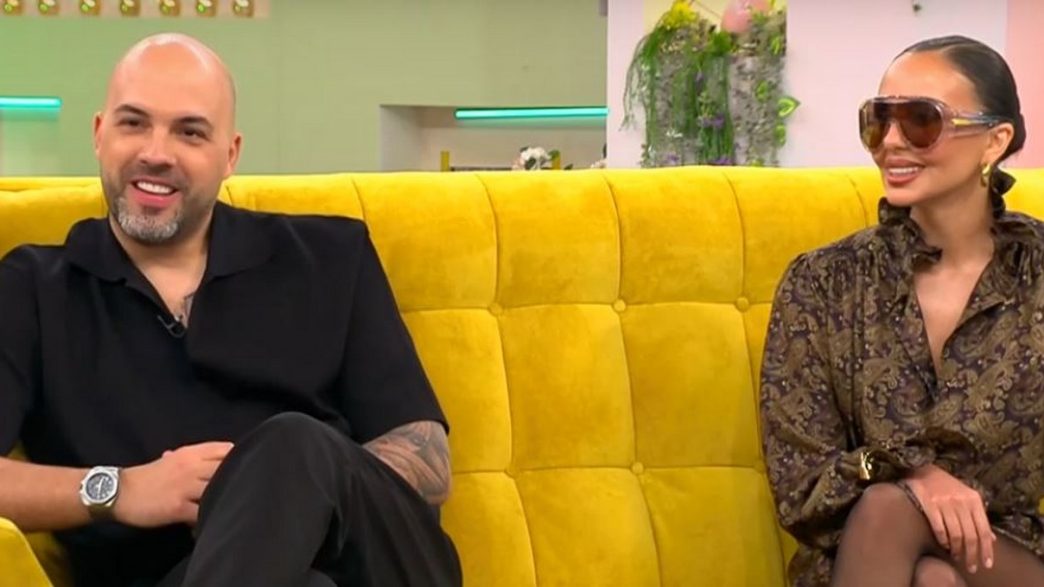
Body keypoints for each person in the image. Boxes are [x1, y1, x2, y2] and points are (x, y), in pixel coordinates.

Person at [0, 33, 461, 587]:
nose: (157, 152)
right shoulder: (32, 288)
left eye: (190, 132)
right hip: (172, 575)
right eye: (134, 123)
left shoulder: (331, 256)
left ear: (231, 155)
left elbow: (426, 461)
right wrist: (122, 489)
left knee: (292, 446)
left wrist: (266, 492)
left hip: (372, 565)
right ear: (100, 135)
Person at [760, 35, 1044, 587]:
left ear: (995, 140)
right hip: (864, 555)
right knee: (927, 570)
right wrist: (913, 475)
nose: (891, 142)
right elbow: (801, 488)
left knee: (897, 516)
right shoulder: (824, 283)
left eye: (920, 120)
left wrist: (906, 495)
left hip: (1009, 562)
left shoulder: (1037, 276)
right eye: (878, 121)